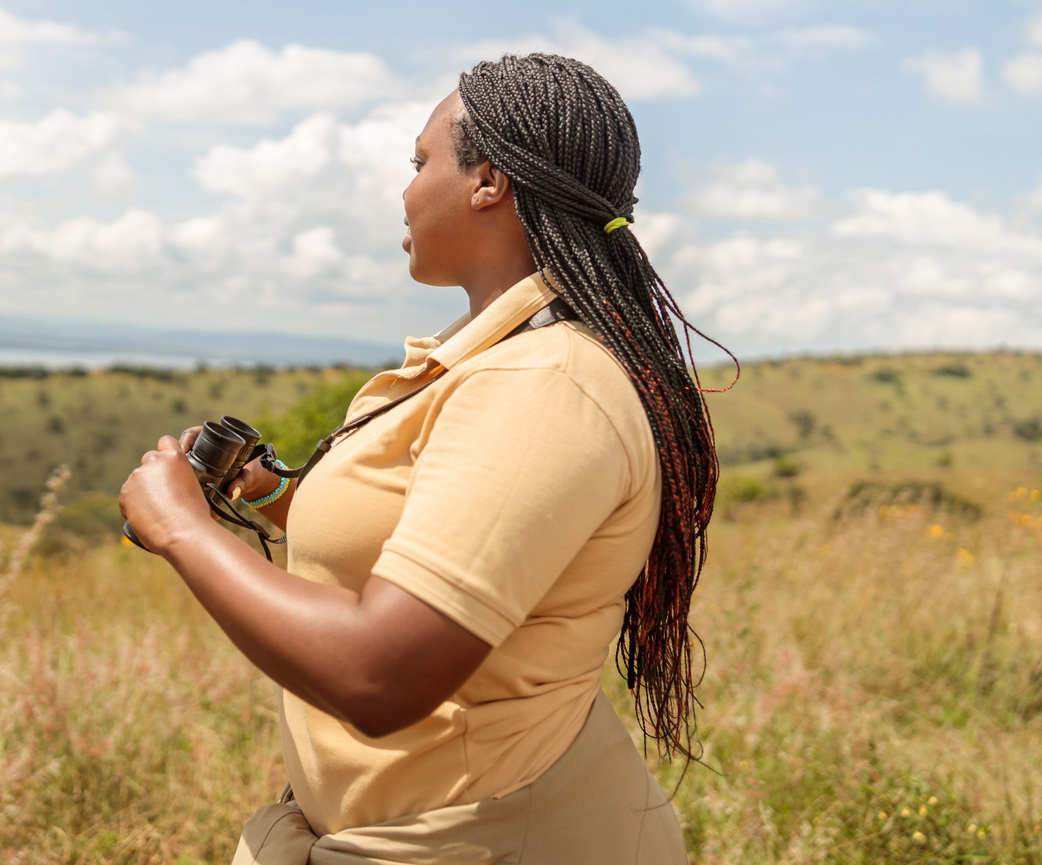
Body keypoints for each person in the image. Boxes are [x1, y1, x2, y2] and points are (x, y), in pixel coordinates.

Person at [118, 53, 720, 864]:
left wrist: (184, 529)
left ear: (488, 182)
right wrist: (271, 498)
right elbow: (443, 540)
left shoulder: (544, 385)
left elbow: (383, 674)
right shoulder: (498, 361)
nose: (405, 190)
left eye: (420, 161)